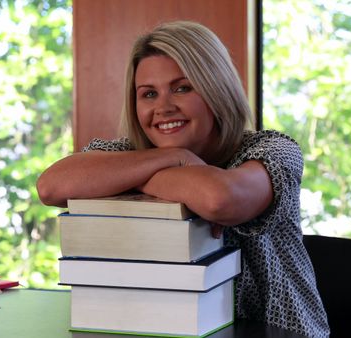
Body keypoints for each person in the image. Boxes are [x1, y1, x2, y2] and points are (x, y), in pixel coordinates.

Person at [37, 21, 330, 337]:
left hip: (276, 330)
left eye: (182, 88)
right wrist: (173, 159)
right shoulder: (130, 151)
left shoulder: (273, 149)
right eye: (148, 94)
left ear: (215, 88)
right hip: (168, 329)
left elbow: (219, 200)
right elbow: (51, 186)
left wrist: (133, 177)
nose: (163, 107)